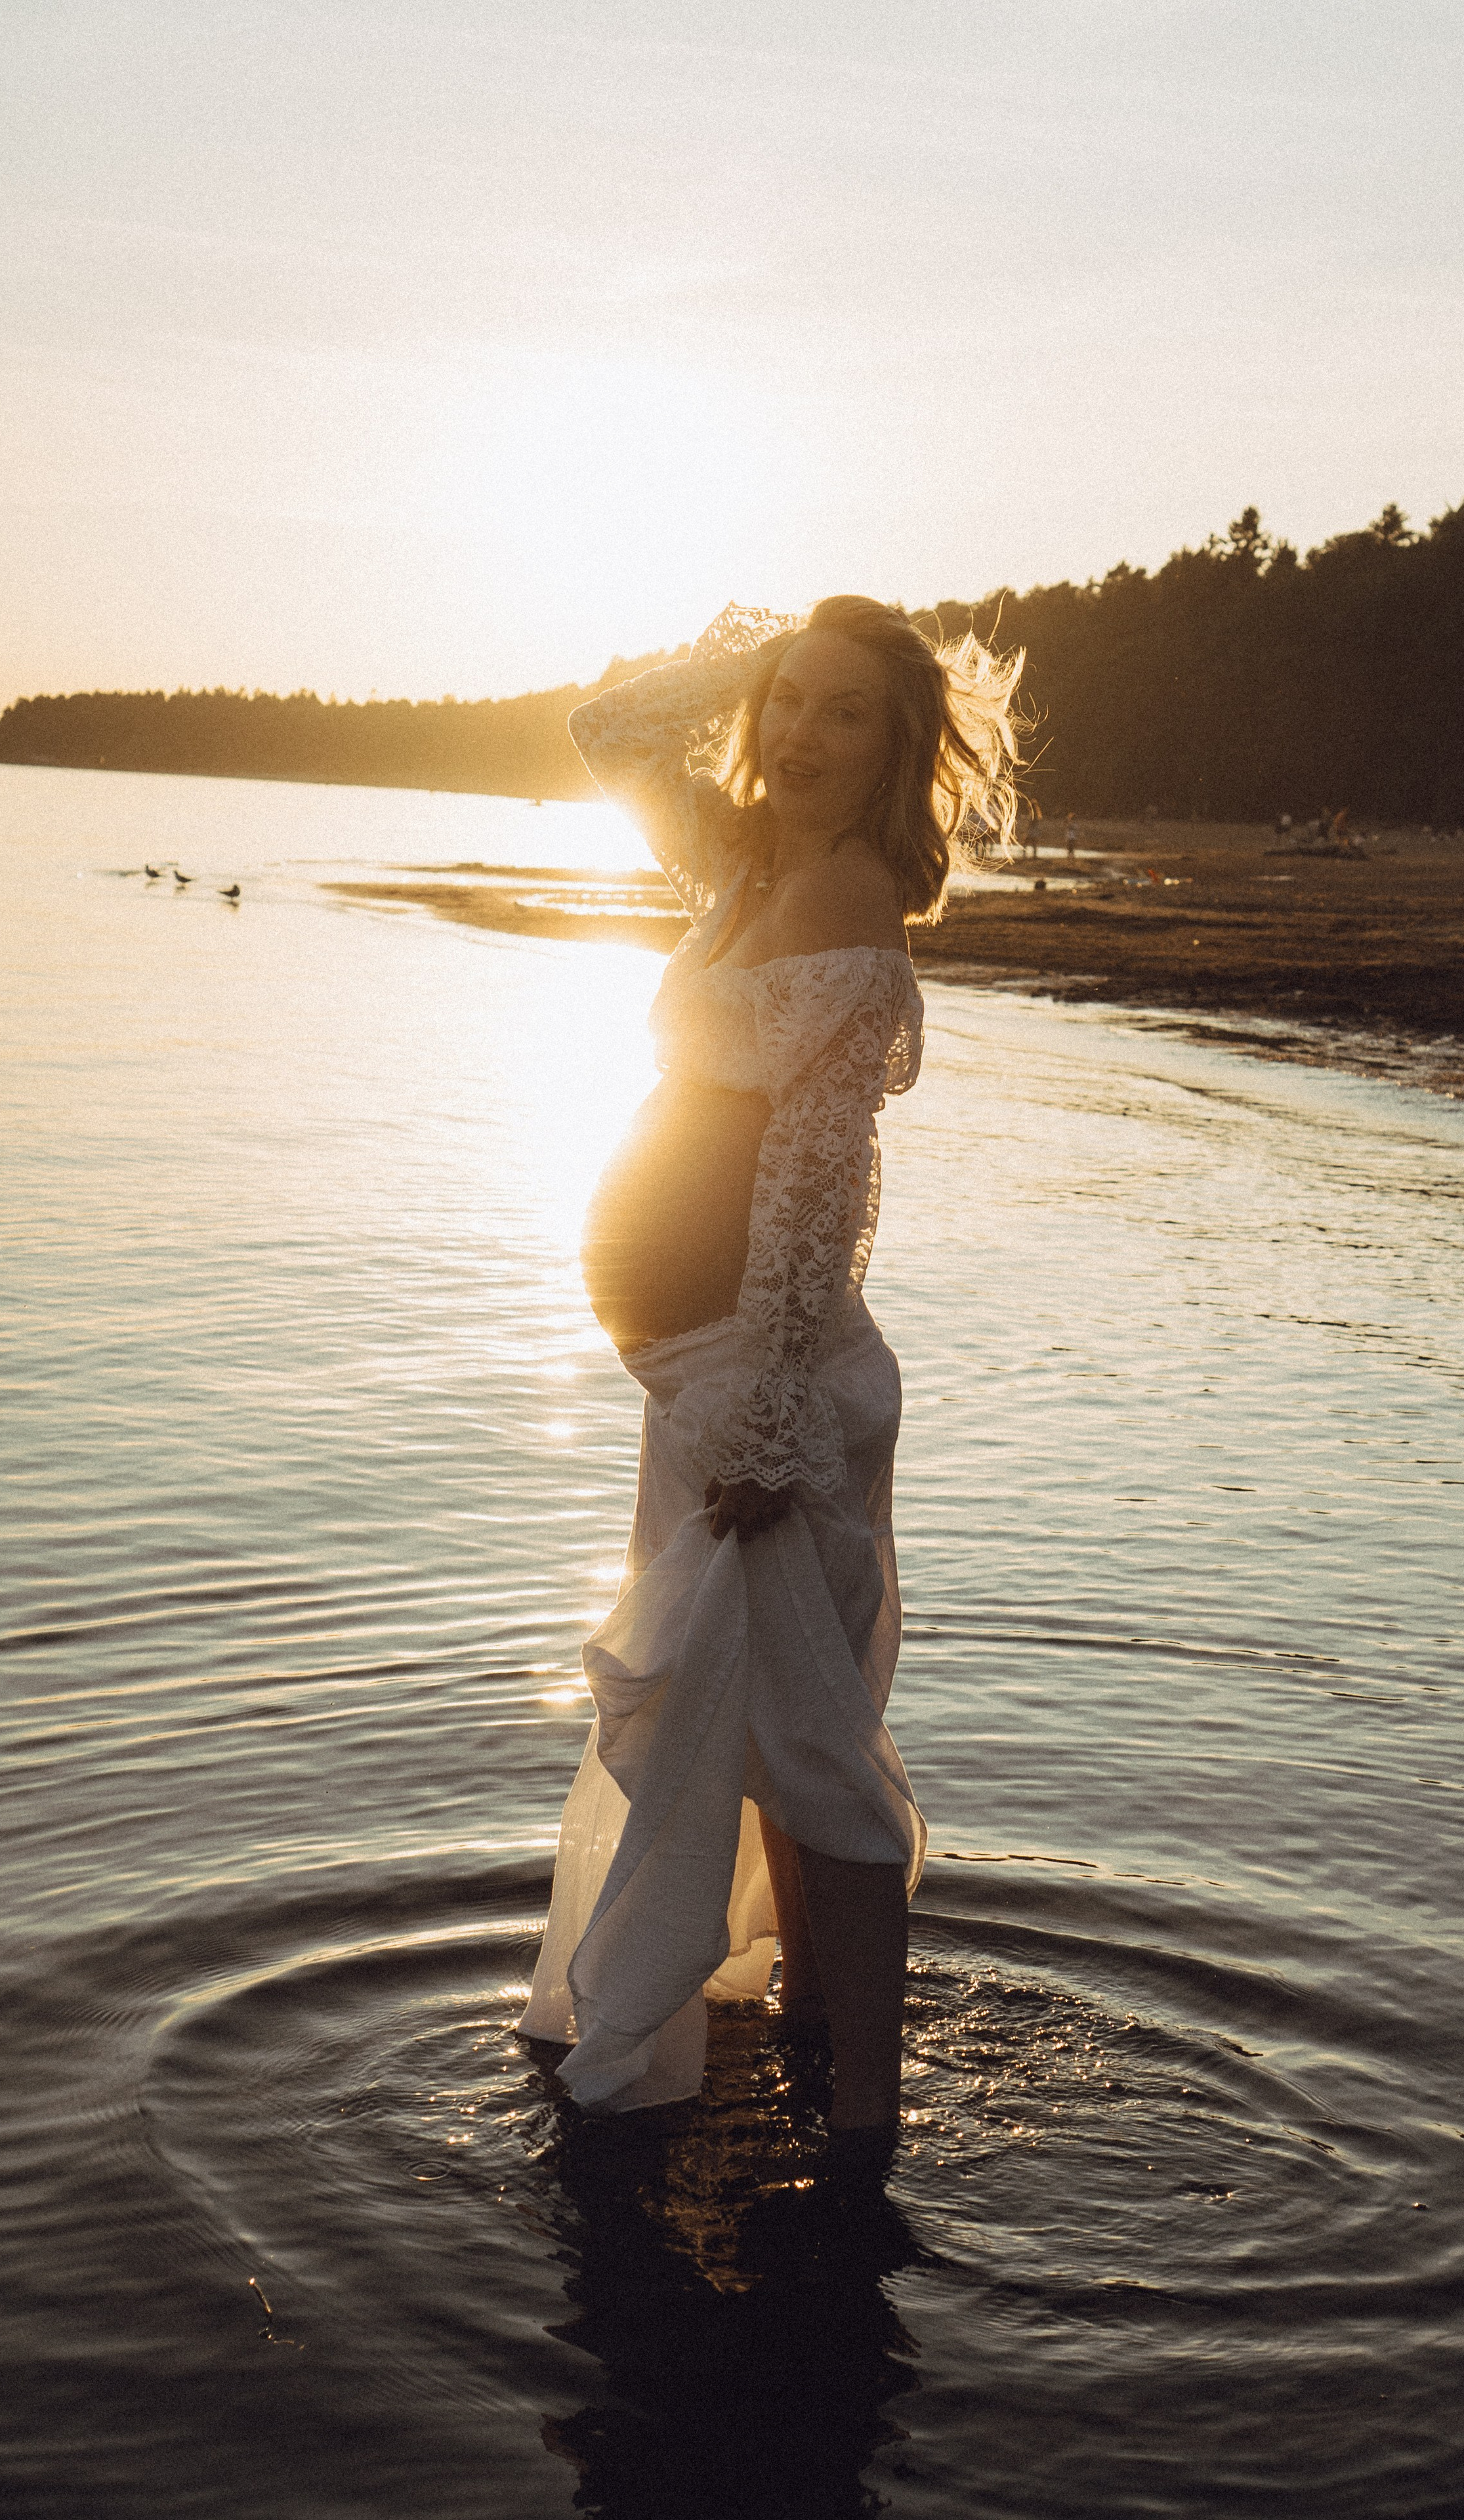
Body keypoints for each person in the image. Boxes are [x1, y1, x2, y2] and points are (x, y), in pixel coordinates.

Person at [516, 597, 1022, 2166]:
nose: (799, 734)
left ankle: (861, 2133)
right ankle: (814, 2040)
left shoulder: (847, 895)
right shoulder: (743, 861)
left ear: (897, 751)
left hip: (763, 1386)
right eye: (783, 703)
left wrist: (772, 1412)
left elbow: (818, 1177)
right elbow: (603, 728)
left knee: (811, 1751)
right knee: (765, 1726)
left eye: (843, 713)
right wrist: (751, 657)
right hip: (704, 1375)